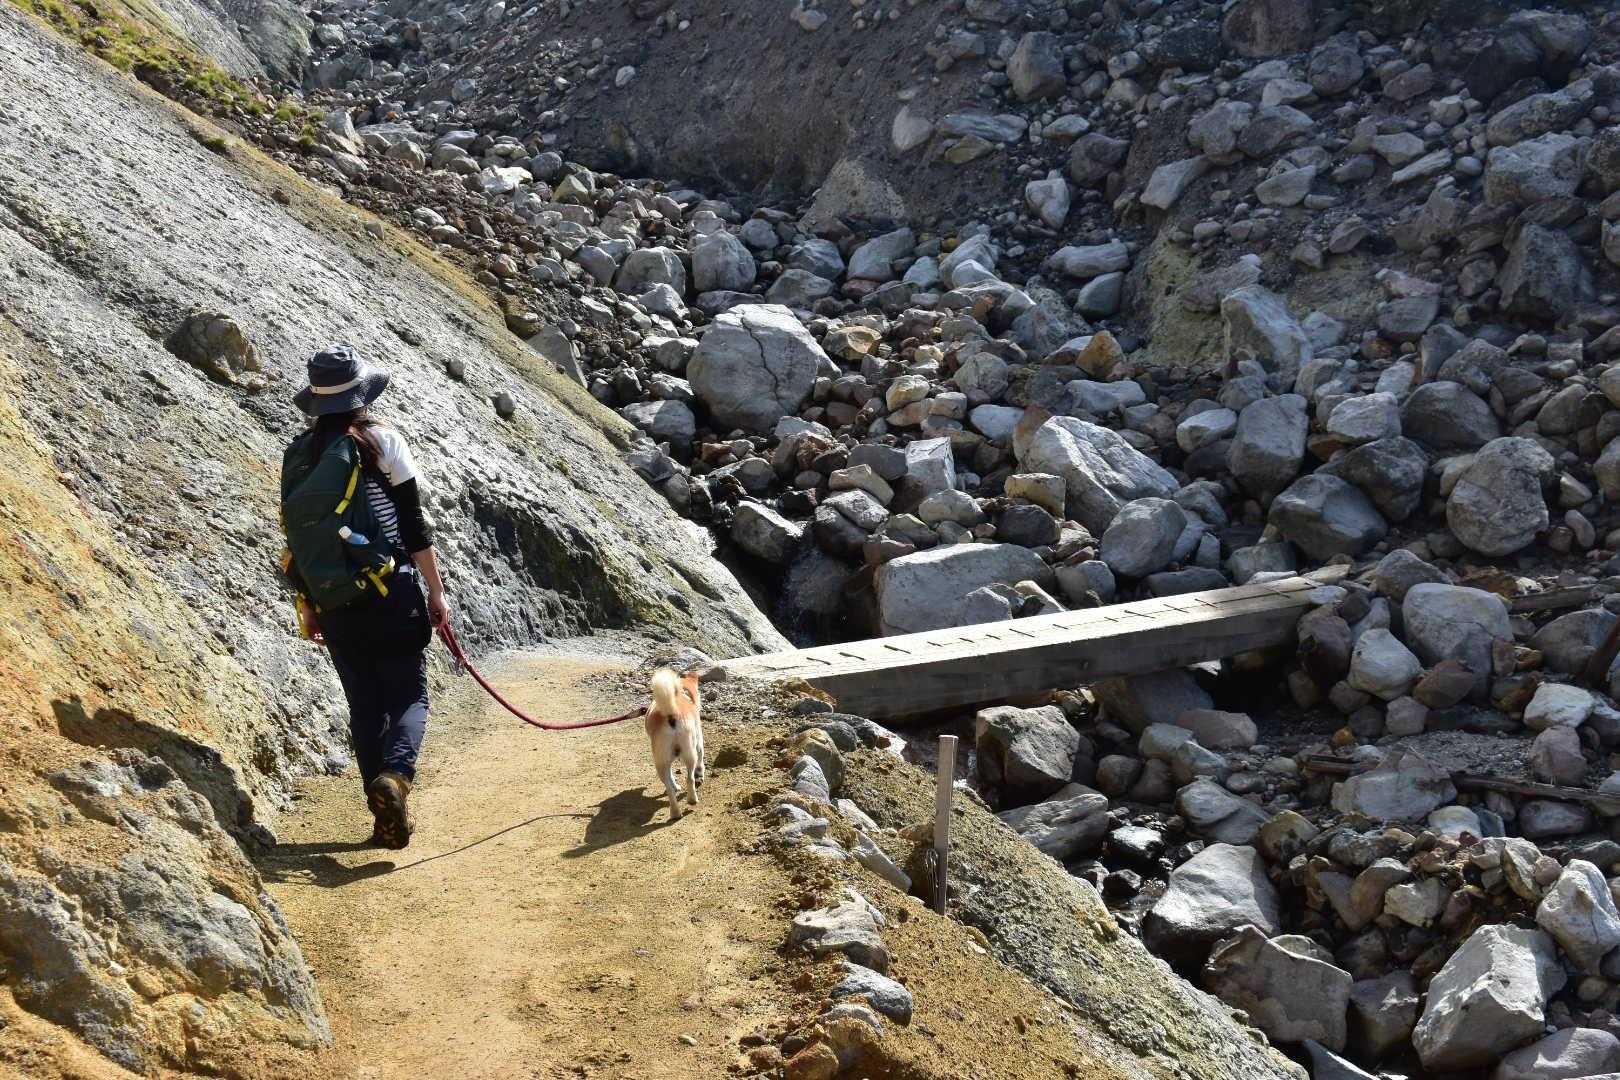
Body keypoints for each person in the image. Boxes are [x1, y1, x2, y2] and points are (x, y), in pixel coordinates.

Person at [287, 345, 450, 848]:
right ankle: (396, 777)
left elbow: (299, 539)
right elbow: (413, 526)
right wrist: (436, 592)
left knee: (364, 707)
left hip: (334, 599)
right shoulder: (382, 441)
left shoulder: (302, 452)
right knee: (409, 695)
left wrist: (308, 602)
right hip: (389, 588)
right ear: (362, 396)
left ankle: (383, 821)